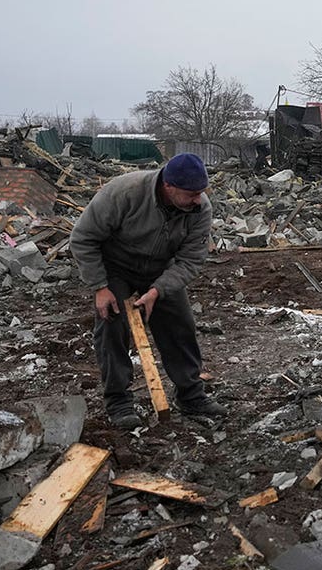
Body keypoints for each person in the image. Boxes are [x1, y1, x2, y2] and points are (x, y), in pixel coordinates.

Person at [69, 153, 226, 429]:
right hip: (115, 266)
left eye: (202, 192)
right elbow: (83, 238)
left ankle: (190, 395)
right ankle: (118, 400)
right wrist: (99, 287)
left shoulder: (200, 209)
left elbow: (191, 260)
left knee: (180, 323)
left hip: (159, 269)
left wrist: (158, 290)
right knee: (111, 324)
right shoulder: (125, 192)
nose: (198, 200)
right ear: (169, 186)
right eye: (191, 194)